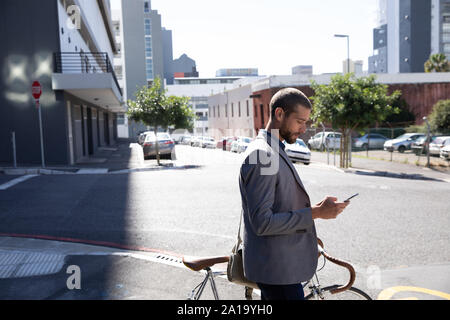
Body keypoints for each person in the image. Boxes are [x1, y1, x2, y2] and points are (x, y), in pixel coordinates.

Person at [238, 88, 349, 300]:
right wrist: (315, 213)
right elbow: (262, 222)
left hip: (281, 270)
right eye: (299, 121)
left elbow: (278, 205)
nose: (304, 129)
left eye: (306, 122)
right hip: (278, 273)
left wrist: (315, 208)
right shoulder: (263, 154)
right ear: (279, 114)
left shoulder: (272, 149)